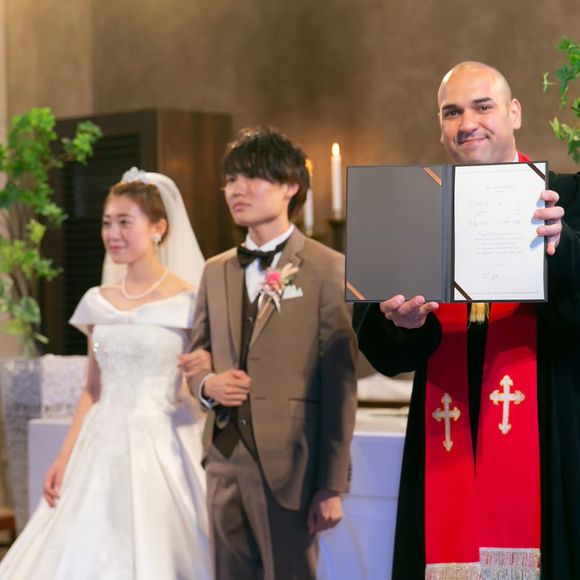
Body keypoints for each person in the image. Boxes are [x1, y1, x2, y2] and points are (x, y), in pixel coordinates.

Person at [354, 62, 580, 580]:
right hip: (446, 437)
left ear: (514, 112)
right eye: (451, 112)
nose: (467, 123)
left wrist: (561, 247)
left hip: (548, 433)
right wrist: (399, 323)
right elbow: (377, 336)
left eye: (483, 107)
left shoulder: (566, 199)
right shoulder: (414, 206)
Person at [0, 169, 212, 579]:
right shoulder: (97, 302)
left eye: (125, 222)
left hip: (163, 441)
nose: (112, 234)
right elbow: (92, 390)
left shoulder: (188, 301)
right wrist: (64, 457)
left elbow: (198, 382)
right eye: (106, 223)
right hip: (100, 441)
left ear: (158, 228)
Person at [179, 127, 358, 580]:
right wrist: (207, 384)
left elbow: (340, 385)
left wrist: (331, 485)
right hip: (223, 459)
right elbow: (197, 353)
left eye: (253, 177)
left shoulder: (328, 268)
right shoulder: (215, 270)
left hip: (292, 465)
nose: (237, 190)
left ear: (290, 186)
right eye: (231, 180)